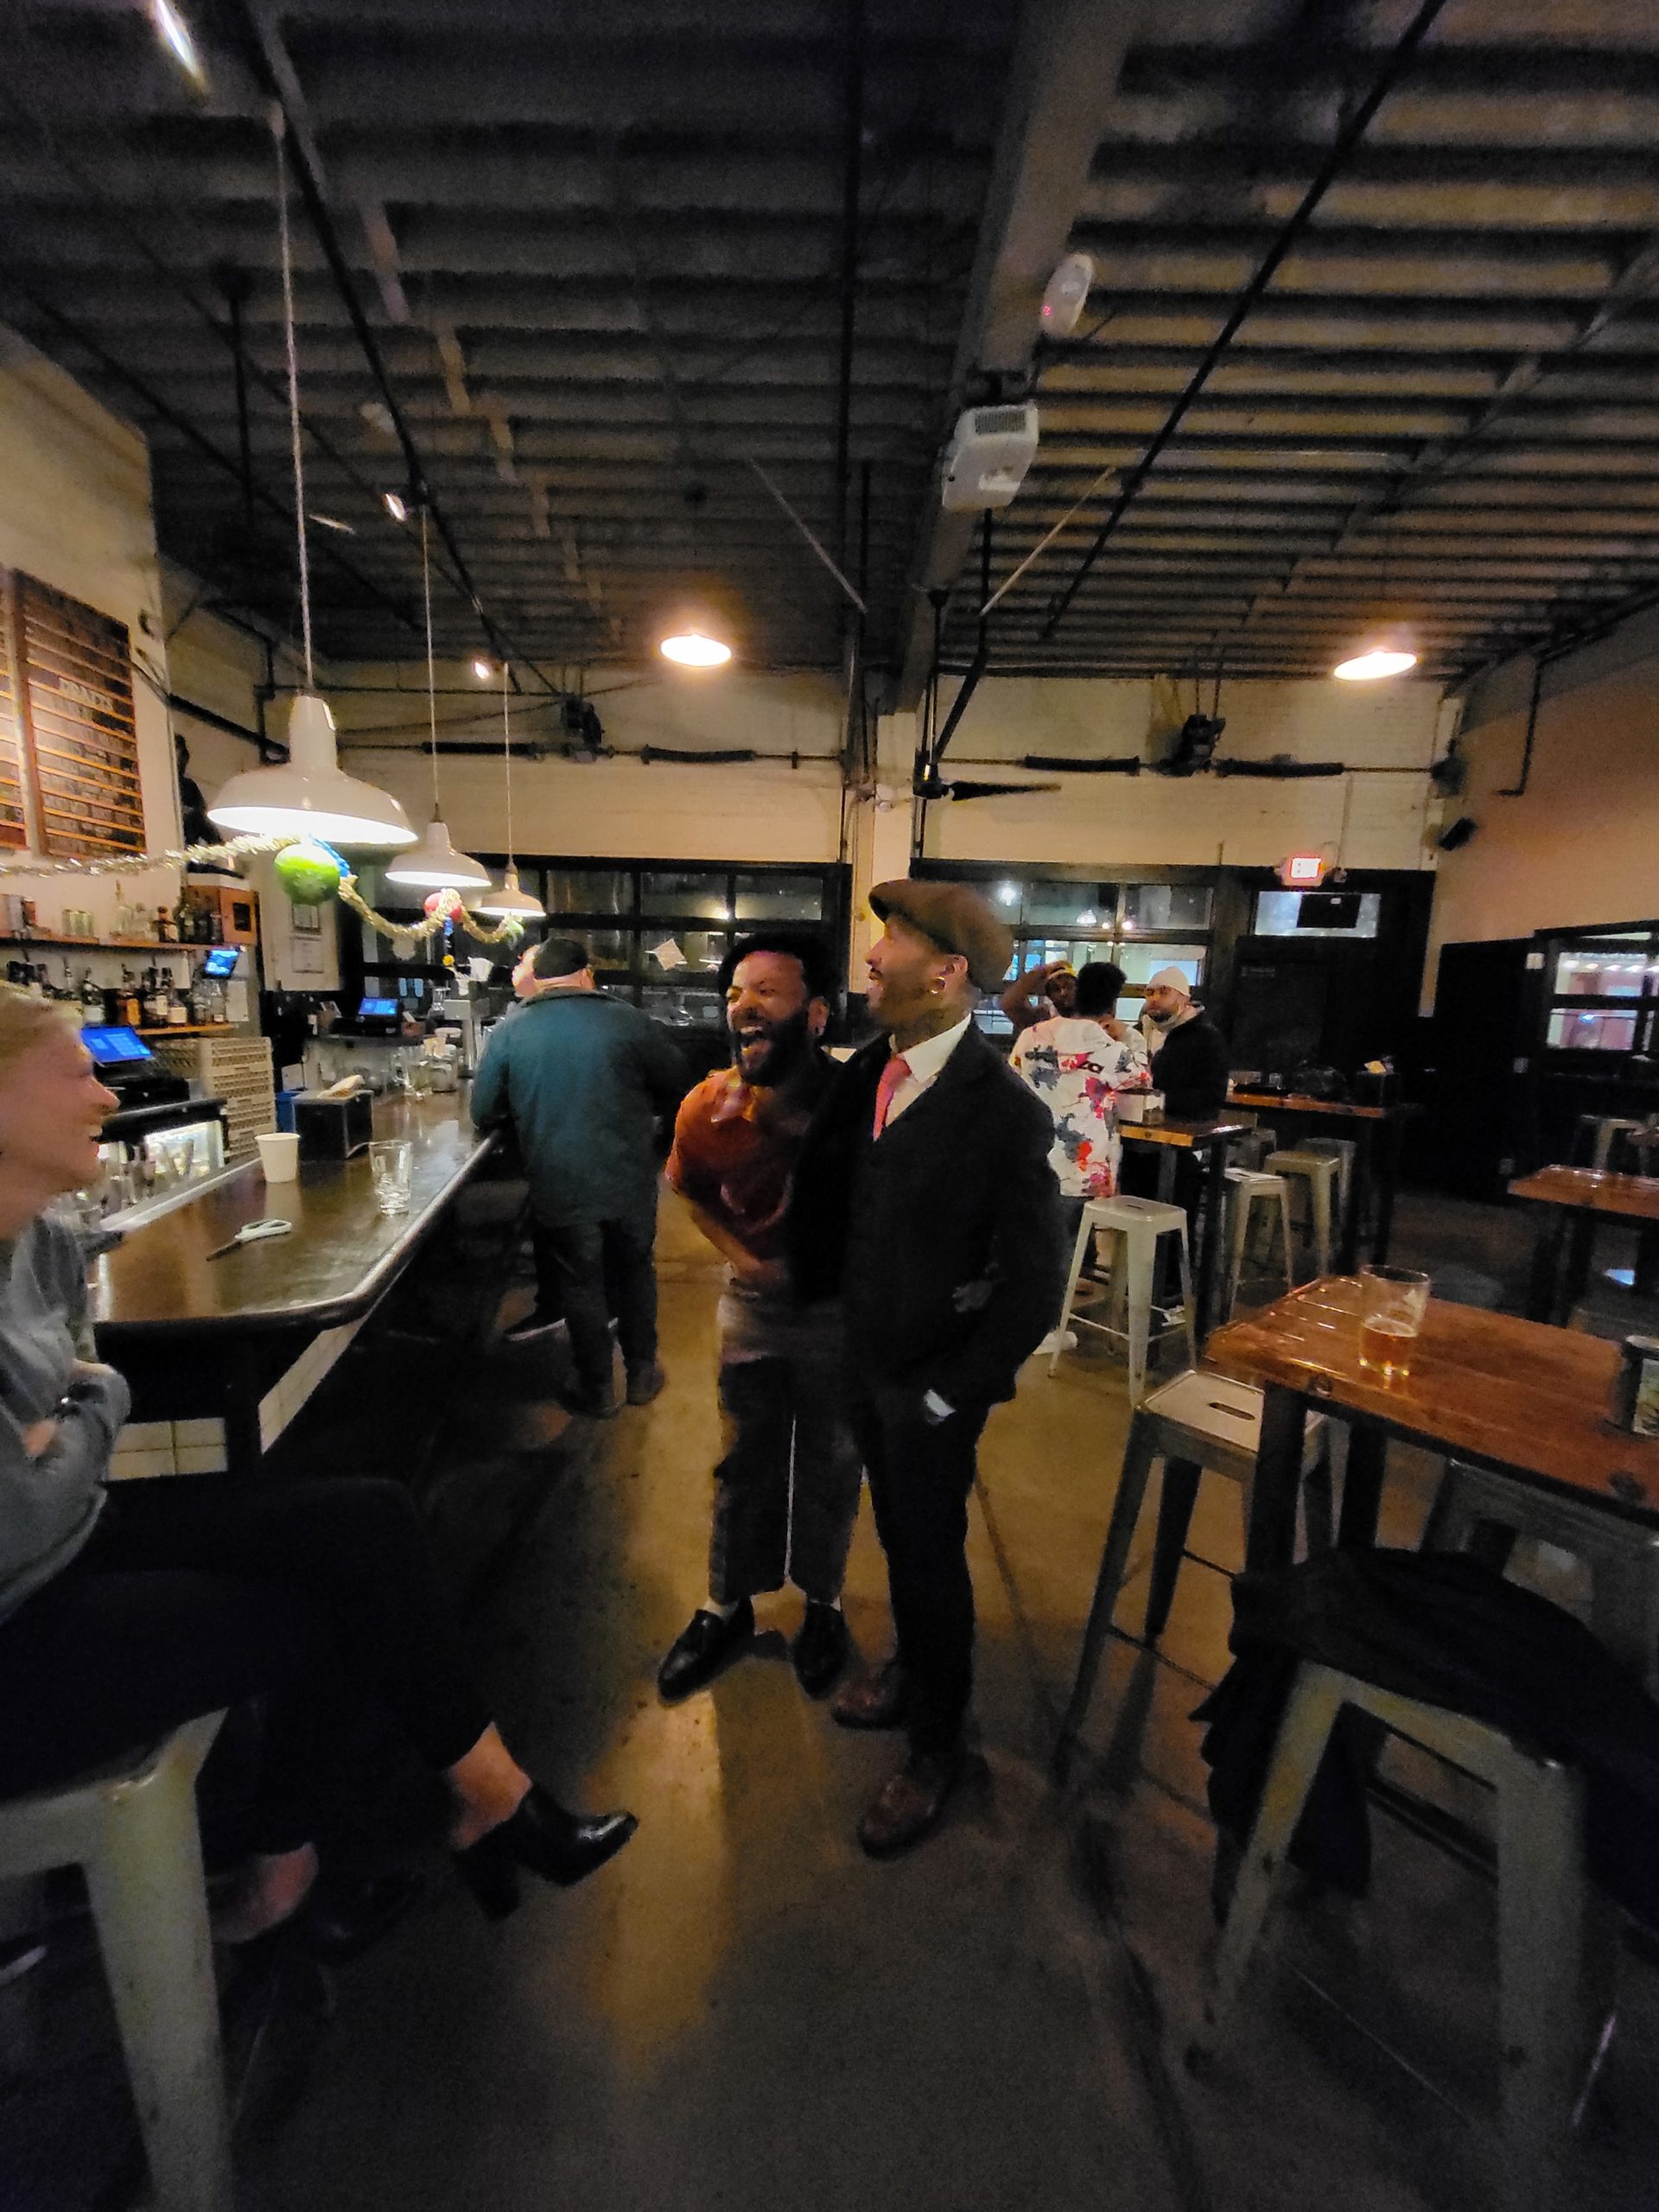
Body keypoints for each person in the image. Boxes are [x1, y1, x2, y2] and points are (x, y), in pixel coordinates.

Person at [0, 988, 636, 1948]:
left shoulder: (42, 1236)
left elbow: (73, 1402)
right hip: (17, 1628)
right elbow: (26, 1503)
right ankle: (307, 1856)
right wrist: (89, 1409)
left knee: (371, 1521)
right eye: (77, 1074)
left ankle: (486, 1799)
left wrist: (65, 1425)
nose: (107, 1096)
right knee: (349, 1611)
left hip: (77, 1541)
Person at [790, 880, 1065, 1857]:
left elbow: (1036, 1287)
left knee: (932, 1549)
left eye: (893, 940)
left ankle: (939, 1744)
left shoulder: (1004, 1113)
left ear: (947, 974)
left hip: (933, 1385)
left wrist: (948, 1394)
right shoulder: (872, 1068)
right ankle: (909, 1670)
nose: (871, 956)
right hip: (864, 1358)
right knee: (900, 1537)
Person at [657, 933, 861, 1704]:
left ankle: (824, 1605)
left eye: (767, 992)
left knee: (833, 1463)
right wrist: (744, 1261)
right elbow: (687, 1191)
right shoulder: (706, 1109)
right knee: (745, 1459)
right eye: (736, 993)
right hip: (754, 1314)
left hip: (841, 1315)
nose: (744, 1005)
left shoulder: (859, 1107)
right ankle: (726, 1606)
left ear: (817, 1014)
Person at [472, 934, 686, 1414]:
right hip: (629, 1179)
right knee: (635, 1270)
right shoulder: (629, 1020)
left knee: (580, 1281)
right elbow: (678, 1083)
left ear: (539, 978)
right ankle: (642, 1374)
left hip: (560, 1182)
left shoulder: (511, 1029)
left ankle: (597, 1388)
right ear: (587, 974)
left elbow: (483, 1111)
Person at [1011, 959, 1151, 1237]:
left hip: (1031, 1159)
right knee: (1074, 1246)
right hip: (1082, 1171)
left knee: (1032, 1243)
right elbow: (1143, 1080)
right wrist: (1125, 1035)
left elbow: (1012, 1079)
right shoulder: (1108, 1047)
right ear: (1112, 1005)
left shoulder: (1031, 1036)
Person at [1141, 963, 1230, 1119]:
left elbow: (1212, 1095)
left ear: (1184, 999)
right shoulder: (1140, 1032)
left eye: (1164, 992)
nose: (1154, 999)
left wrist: (1156, 1101)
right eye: (1150, 993)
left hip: (1185, 1124)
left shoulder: (1205, 1036)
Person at [999, 958, 1077, 1036]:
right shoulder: (1043, 1017)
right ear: (1049, 994)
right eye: (1056, 989)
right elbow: (1009, 1004)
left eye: (1068, 986)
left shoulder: (1084, 1015)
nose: (1063, 993)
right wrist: (1039, 972)